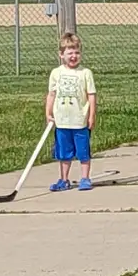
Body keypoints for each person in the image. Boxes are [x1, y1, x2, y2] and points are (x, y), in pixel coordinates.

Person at [45, 32, 98, 192]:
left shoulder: (85, 73)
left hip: (79, 120)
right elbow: (51, 94)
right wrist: (48, 113)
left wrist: (92, 115)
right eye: (70, 53)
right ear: (61, 55)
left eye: (77, 52)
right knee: (63, 153)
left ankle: (85, 178)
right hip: (62, 121)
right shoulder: (56, 73)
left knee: (83, 152)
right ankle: (64, 179)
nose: (74, 56)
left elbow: (91, 95)